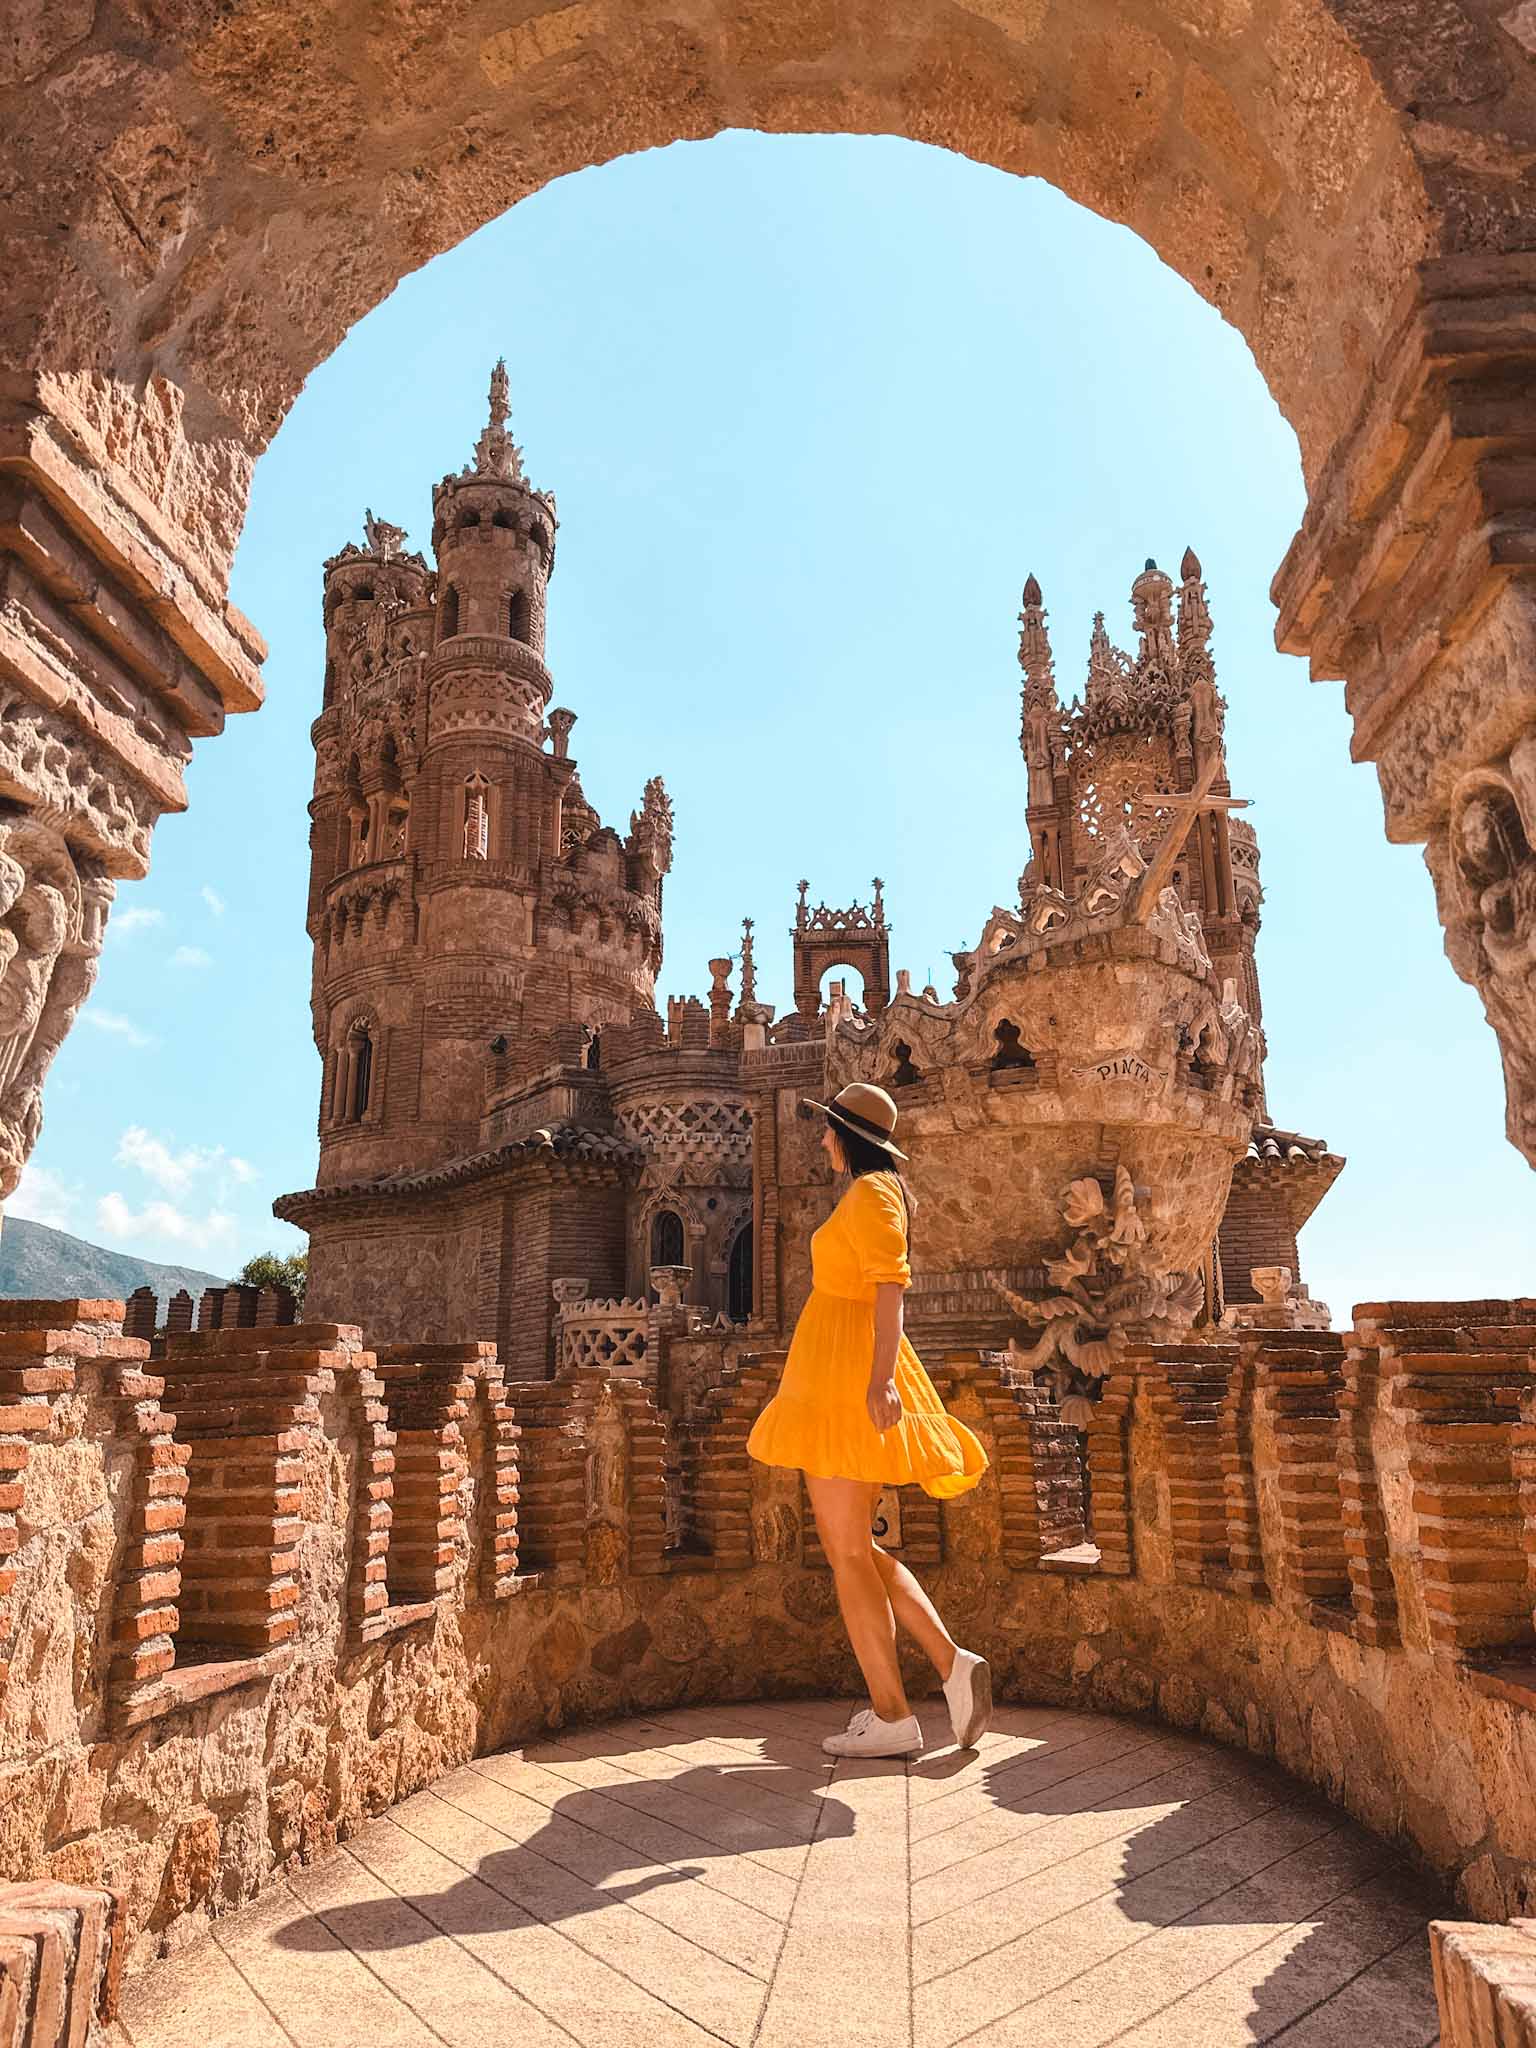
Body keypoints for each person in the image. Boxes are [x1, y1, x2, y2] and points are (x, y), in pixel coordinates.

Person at [746, 1082, 991, 1760]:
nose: (821, 1139)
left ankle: (894, 1715)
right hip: (836, 1368)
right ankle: (951, 1666)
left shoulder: (874, 1194)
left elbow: (892, 1290)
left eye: (828, 1130)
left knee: (847, 1553)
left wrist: (881, 1380)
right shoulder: (867, 1195)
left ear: (848, 1137)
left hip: (848, 1375)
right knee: (857, 1547)